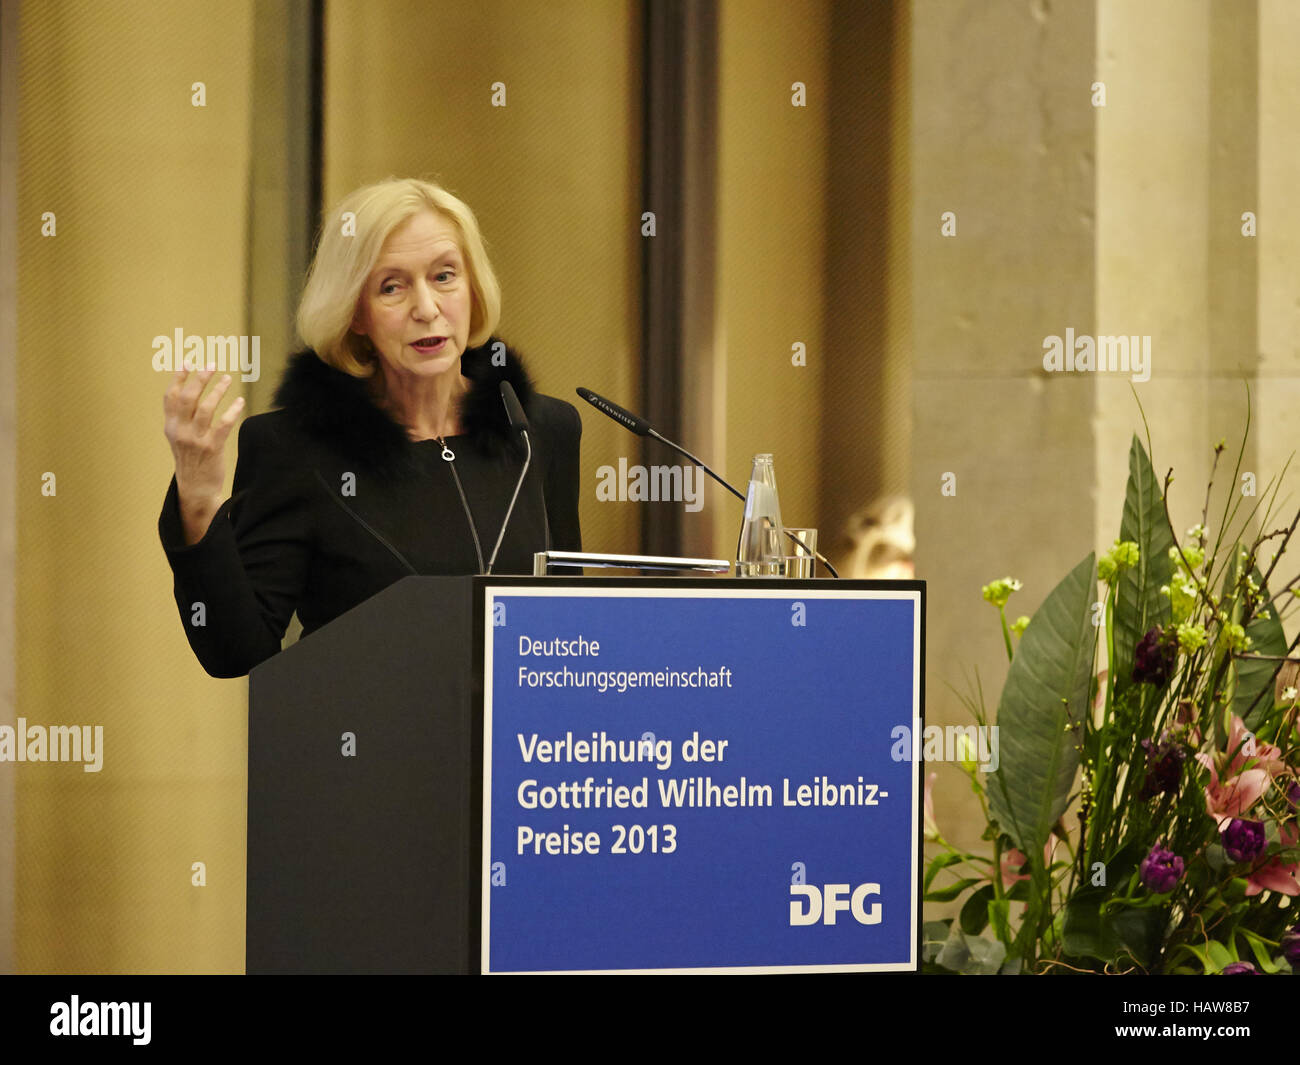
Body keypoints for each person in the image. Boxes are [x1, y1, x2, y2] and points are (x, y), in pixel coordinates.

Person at [159, 177, 582, 678]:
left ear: (473, 287)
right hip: (364, 748)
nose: (426, 309)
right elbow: (236, 653)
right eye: (392, 287)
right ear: (355, 313)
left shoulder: (539, 432)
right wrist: (201, 499)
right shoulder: (294, 449)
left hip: (517, 750)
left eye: (444, 276)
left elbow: (564, 632)